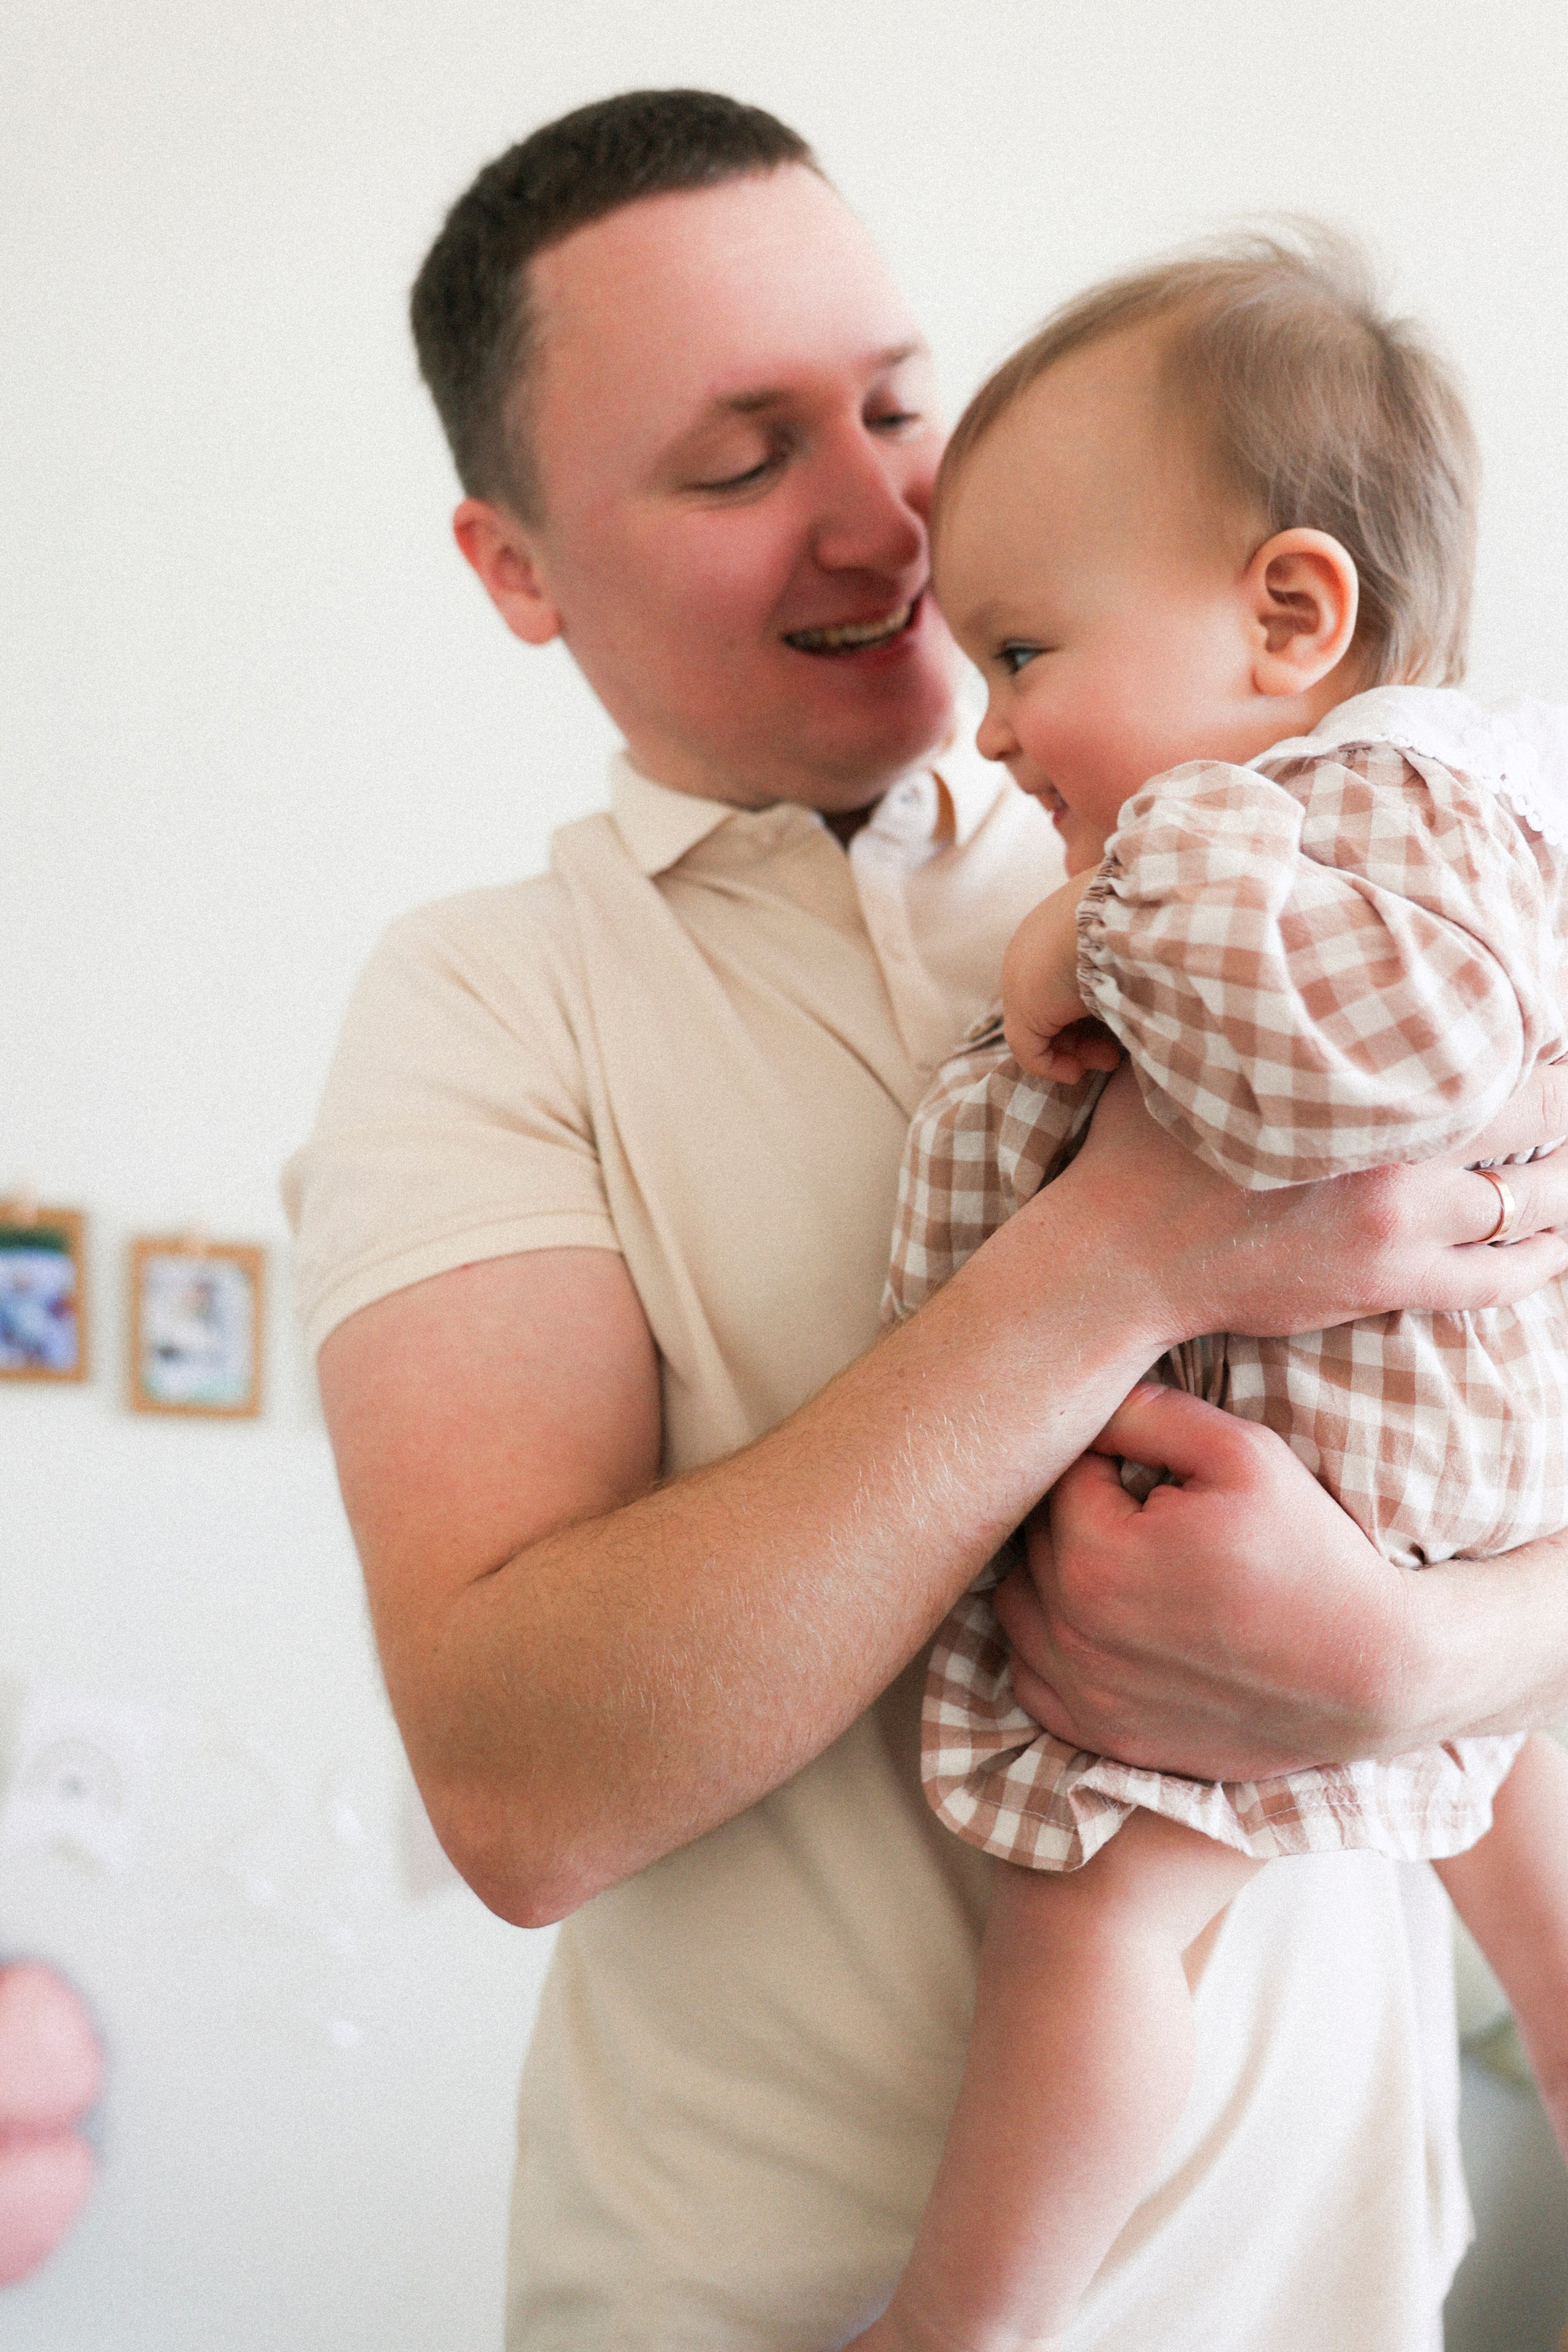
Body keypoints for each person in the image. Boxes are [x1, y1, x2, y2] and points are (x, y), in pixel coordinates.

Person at [282, 92, 1568, 2350]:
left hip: (1346, 2301)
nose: (886, 519)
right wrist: (1131, 1255)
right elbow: (521, 1786)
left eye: (895, 403)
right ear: (517, 566)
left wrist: (1419, 1659)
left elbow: (1499, 1406)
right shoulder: (489, 1002)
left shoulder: (1275, 850)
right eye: (737, 459)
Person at [867, 230, 1568, 2352]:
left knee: (1087, 1933)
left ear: (1291, 615)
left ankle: (958, 2329)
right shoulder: (1374, 816)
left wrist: (1091, 928)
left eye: (1023, 650)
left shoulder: (1342, 818)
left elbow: (1380, 1054)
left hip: (1351, 1463)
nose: (992, 736)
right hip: (1418, 1482)